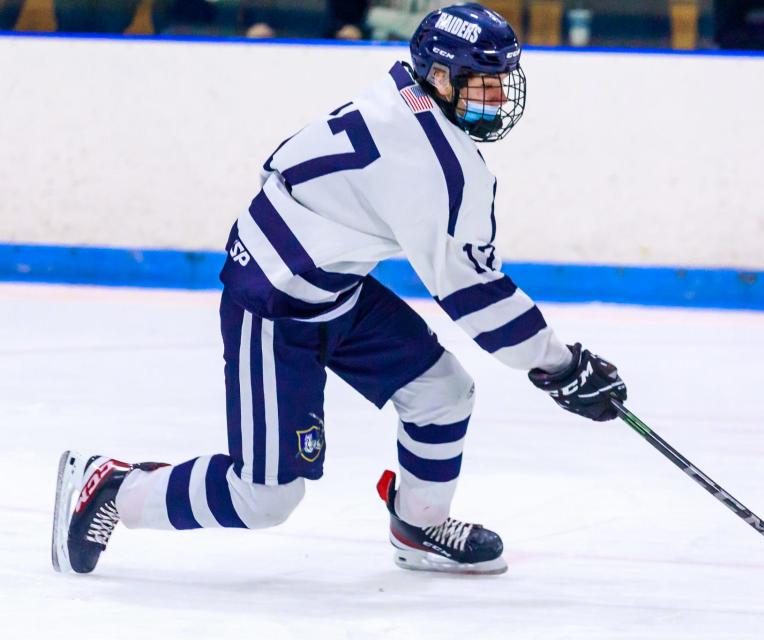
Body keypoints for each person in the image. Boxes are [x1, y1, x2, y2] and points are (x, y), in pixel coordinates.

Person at [51, 2, 628, 577]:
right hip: (274, 300)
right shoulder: (435, 162)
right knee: (264, 499)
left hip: (334, 284)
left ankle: (419, 527)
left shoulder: (407, 95)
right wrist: (560, 366)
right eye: (483, 83)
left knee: (442, 391)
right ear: (440, 76)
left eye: (502, 80)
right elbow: (473, 295)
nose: (498, 98)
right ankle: (115, 488)